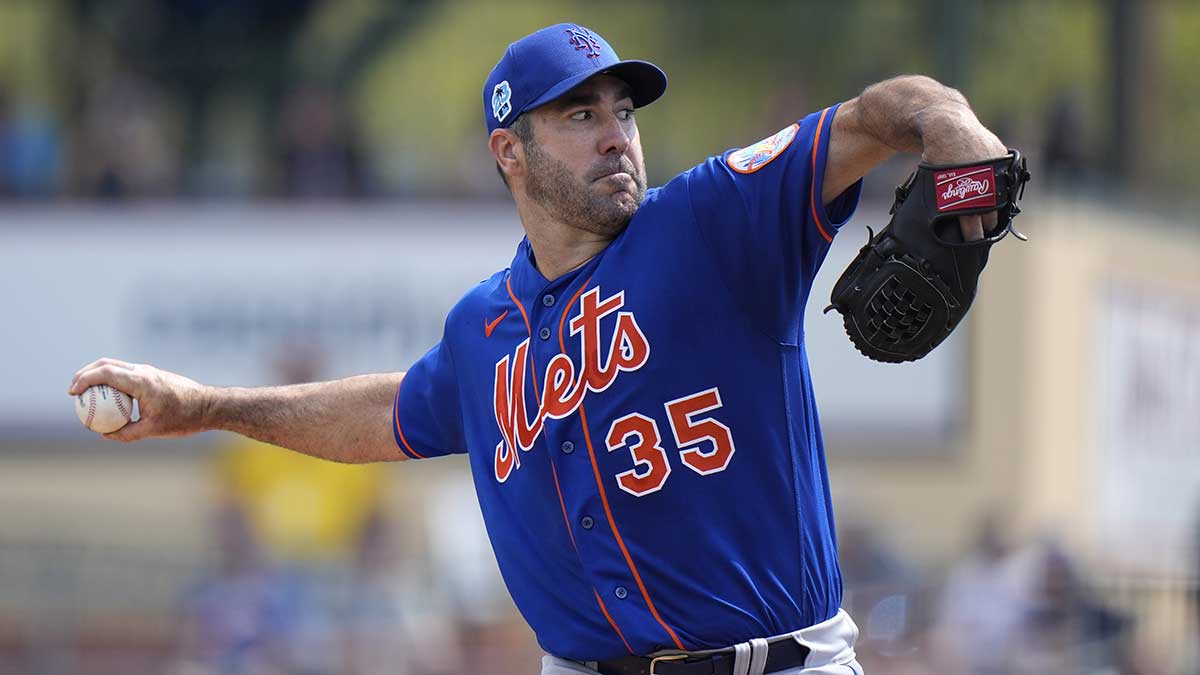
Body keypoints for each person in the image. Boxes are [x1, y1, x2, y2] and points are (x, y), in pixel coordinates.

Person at [70, 23, 1010, 675]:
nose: (616, 138)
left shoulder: (715, 220)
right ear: (509, 154)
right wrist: (203, 406)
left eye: (623, 113)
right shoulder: (484, 332)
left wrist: (955, 137)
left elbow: (890, 112)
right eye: (579, 117)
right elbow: (386, 413)